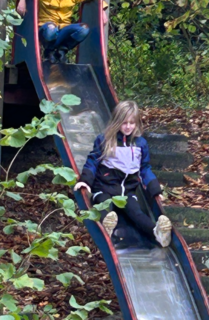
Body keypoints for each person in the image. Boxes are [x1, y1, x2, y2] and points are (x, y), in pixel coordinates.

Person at [74, 101, 172, 247]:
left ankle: (157, 233)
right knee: (104, 206)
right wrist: (85, 181)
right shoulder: (105, 140)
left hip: (126, 192)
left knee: (136, 212)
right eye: (124, 123)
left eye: (132, 123)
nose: (128, 127)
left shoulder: (140, 144)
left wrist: (155, 190)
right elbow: (93, 161)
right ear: (117, 122)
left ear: (137, 123)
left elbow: (145, 169)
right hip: (104, 187)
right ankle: (105, 228)